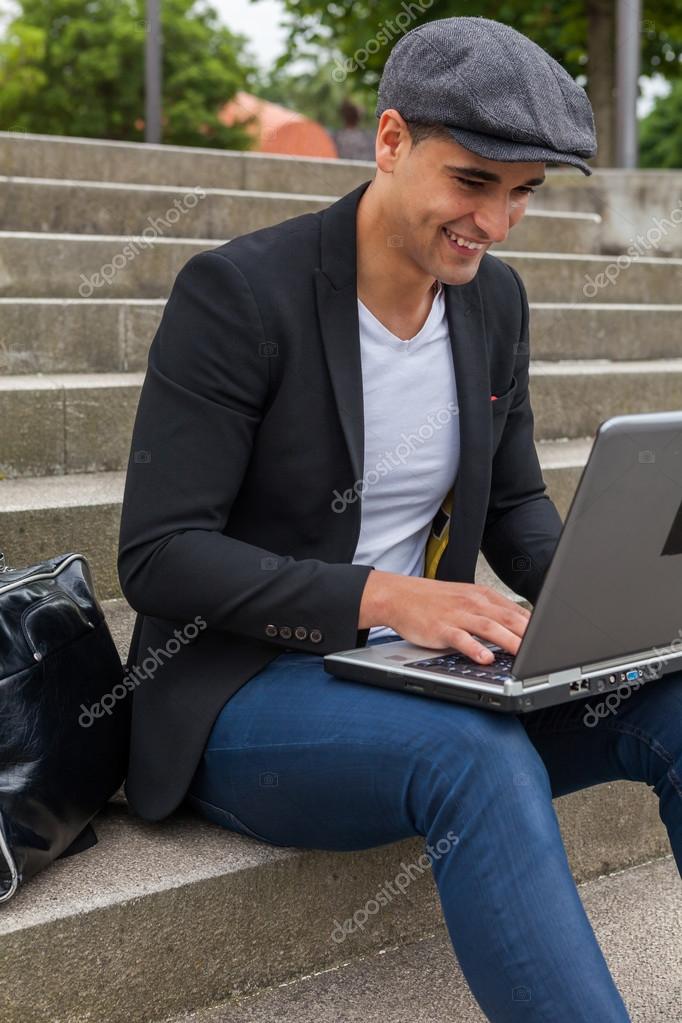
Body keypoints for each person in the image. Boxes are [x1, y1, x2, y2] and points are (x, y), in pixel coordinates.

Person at [117, 17, 682, 1022]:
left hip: (424, 675)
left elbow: (510, 505)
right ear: (388, 142)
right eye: (472, 183)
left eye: (522, 194)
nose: (496, 224)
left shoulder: (491, 303)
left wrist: (605, 608)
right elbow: (160, 558)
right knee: (471, 755)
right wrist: (383, 597)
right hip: (246, 693)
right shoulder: (239, 296)